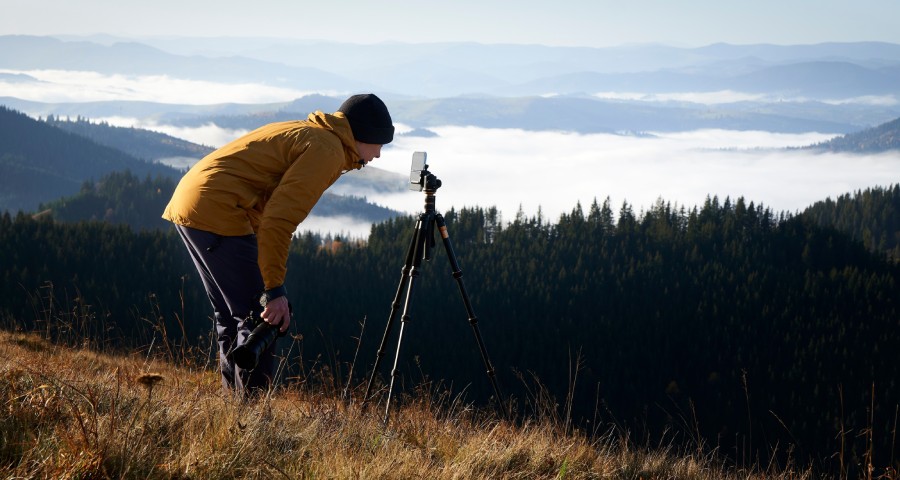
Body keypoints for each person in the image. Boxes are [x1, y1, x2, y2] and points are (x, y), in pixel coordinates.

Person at [162, 93, 394, 398]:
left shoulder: (313, 133)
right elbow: (278, 221)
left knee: (232, 316)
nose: (377, 155)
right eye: (379, 144)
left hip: (197, 201)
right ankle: (251, 419)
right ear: (363, 134)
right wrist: (273, 290)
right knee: (262, 319)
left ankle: (233, 409)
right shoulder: (327, 151)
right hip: (219, 209)